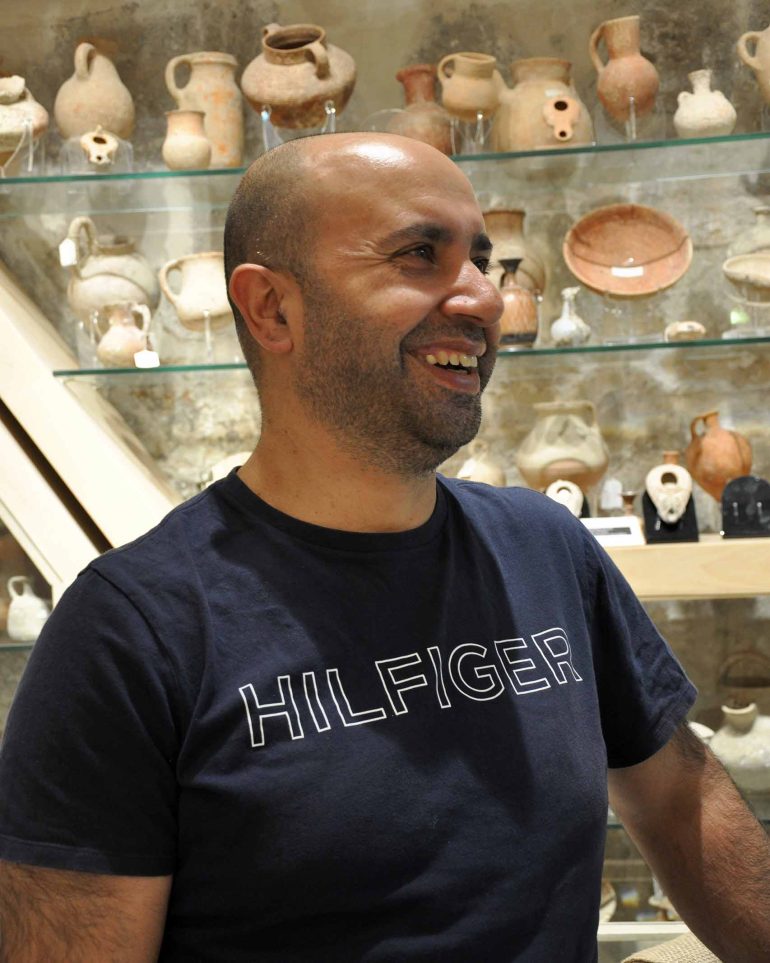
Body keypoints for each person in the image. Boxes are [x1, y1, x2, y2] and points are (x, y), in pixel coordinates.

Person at [0, 132, 768, 963]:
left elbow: (685, 805)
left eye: (479, 259)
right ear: (272, 309)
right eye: (418, 255)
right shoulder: (132, 632)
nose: (483, 299)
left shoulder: (546, 549)